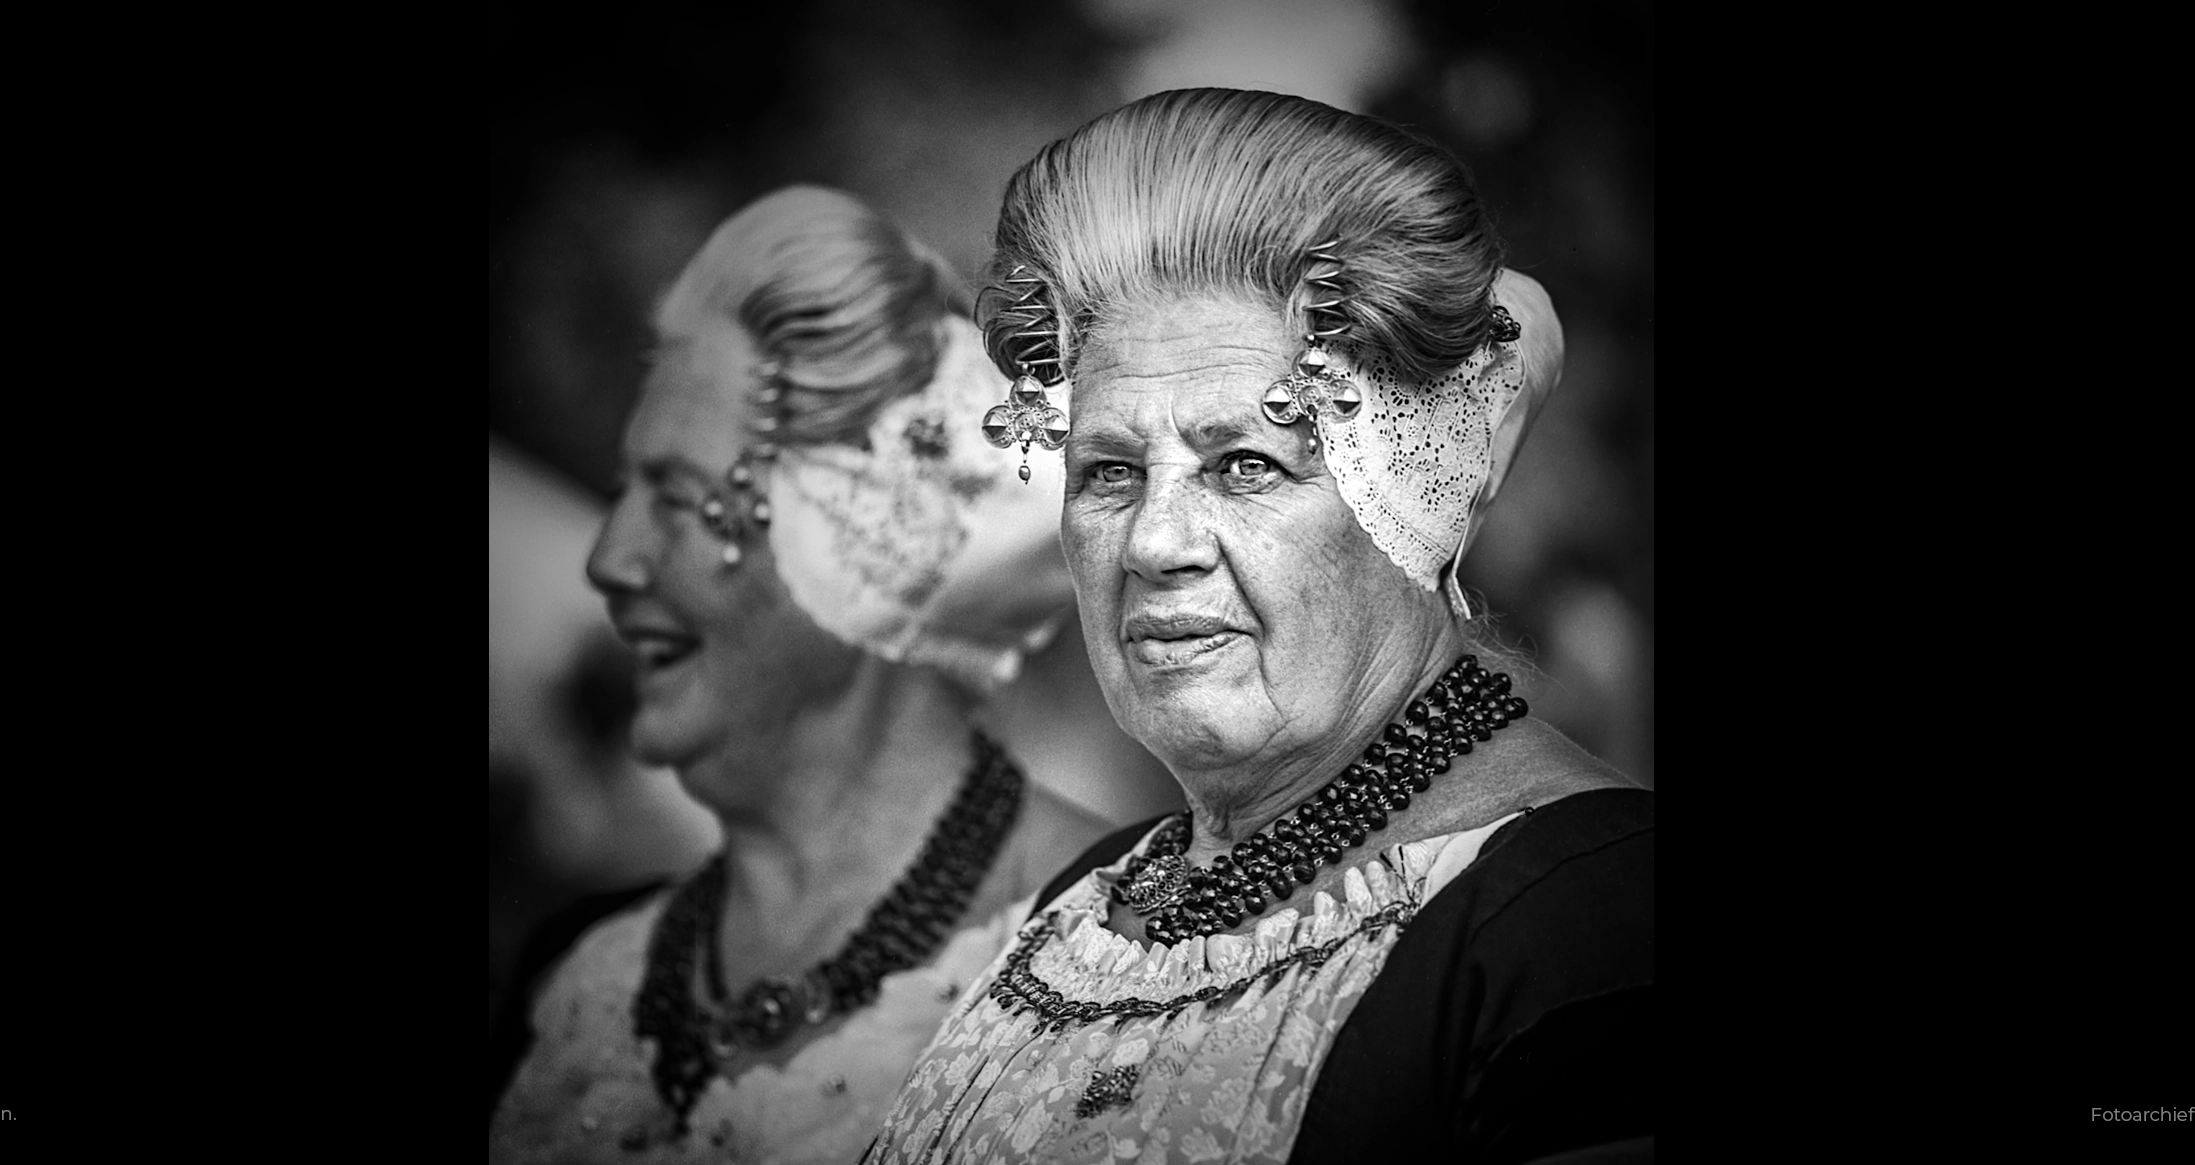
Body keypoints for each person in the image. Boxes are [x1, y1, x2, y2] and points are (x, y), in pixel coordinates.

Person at [863, 89, 1654, 1164]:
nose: (1154, 543)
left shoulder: (1594, 917)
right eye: (1108, 472)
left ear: (1407, 505)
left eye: (1244, 465)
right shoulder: (1083, 906)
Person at [490, 185, 1116, 1164]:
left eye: (677, 495)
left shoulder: (1119, 978)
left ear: (857, 545)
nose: (610, 559)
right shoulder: (578, 980)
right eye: (624, 491)